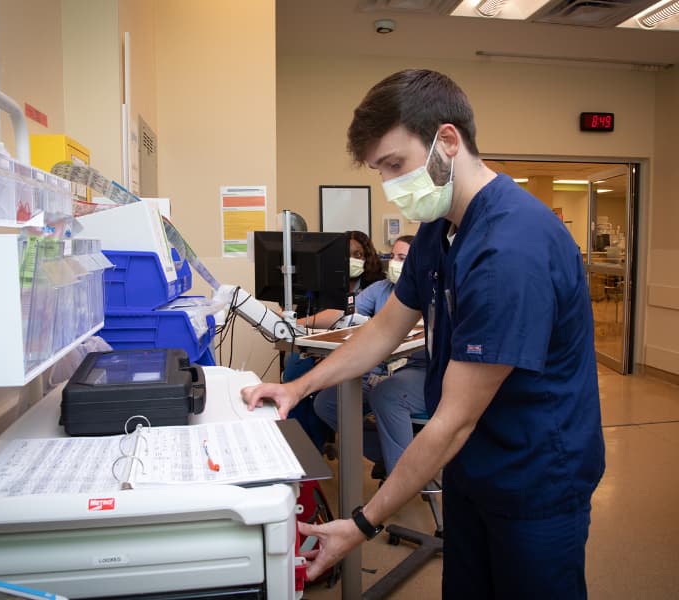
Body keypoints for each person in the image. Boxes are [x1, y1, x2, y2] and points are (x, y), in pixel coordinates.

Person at [243, 68, 605, 599]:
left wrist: (362, 524)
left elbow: (453, 422)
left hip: (536, 478)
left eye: (395, 164)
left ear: (448, 141)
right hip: (472, 471)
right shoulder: (442, 227)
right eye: (380, 171)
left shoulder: (511, 249)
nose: (390, 186)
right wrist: (298, 388)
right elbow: (384, 329)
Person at [312, 235, 426, 478]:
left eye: (402, 258)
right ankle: (389, 455)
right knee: (327, 403)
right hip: (378, 371)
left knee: (388, 395)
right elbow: (344, 315)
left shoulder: (429, 291)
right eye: (392, 256)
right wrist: (298, 323)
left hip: (415, 371)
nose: (393, 262)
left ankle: (401, 477)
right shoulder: (381, 290)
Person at [282, 230, 385, 451]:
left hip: (355, 355)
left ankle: (312, 448)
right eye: (347, 255)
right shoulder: (323, 284)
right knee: (293, 365)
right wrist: (289, 320)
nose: (352, 260)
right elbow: (324, 320)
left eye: (358, 254)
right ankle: (297, 447)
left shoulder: (375, 289)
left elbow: (350, 320)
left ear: (367, 258)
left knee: (320, 389)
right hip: (322, 347)